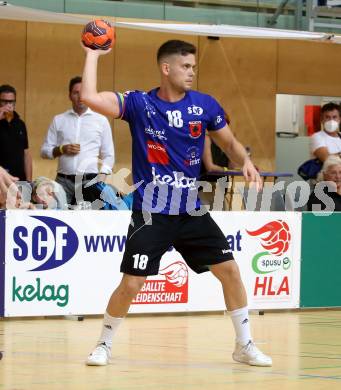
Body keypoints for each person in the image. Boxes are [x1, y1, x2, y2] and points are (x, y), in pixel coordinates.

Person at [81, 39, 272, 367]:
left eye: (194, 67)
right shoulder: (140, 104)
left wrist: (245, 162)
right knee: (132, 283)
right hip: (152, 211)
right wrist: (92, 54)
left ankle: (244, 345)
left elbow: (229, 141)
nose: (191, 73)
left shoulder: (205, 105)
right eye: (185, 66)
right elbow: (89, 97)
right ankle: (103, 344)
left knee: (230, 271)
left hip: (190, 209)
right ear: (166, 68)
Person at [40, 76, 115, 207]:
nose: (80, 97)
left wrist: (100, 180)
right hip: (63, 181)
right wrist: (62, 149)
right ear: (70, 95)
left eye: (84, 92)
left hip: (90, 180)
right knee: (59, 219)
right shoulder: (59, 119)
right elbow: (44, 152)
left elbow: (109, 155)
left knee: (87, 222)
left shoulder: (101, 120)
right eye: (76, 93)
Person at [0, 84, 32, 182]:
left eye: (11, 101)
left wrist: (29, 181)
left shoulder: (20, 124)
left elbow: (26, 154)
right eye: (4, 101)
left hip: (19, 179)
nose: (8, 105)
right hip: (1, 179)